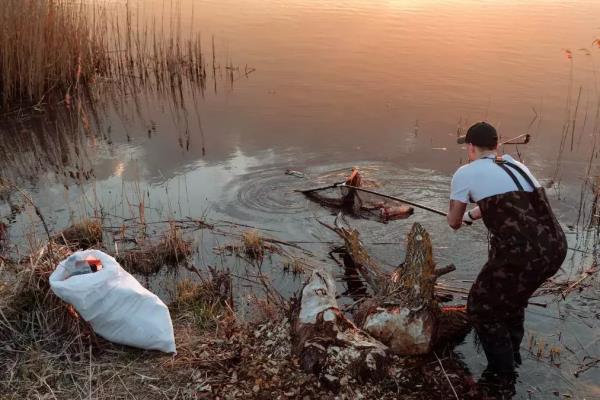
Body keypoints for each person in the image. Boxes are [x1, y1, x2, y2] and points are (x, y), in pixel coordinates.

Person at [447, 122, 567, 382]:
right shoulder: (515, 165)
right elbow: (510, 203)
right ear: (496, 146)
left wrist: (460, 217)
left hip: (521, 254)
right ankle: (513, 357)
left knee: (481, 307)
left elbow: (453, 221)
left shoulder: (465, 173)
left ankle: (501, 378)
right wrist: (473, 215)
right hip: (555, 247)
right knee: (512, 302)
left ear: (470, 147)